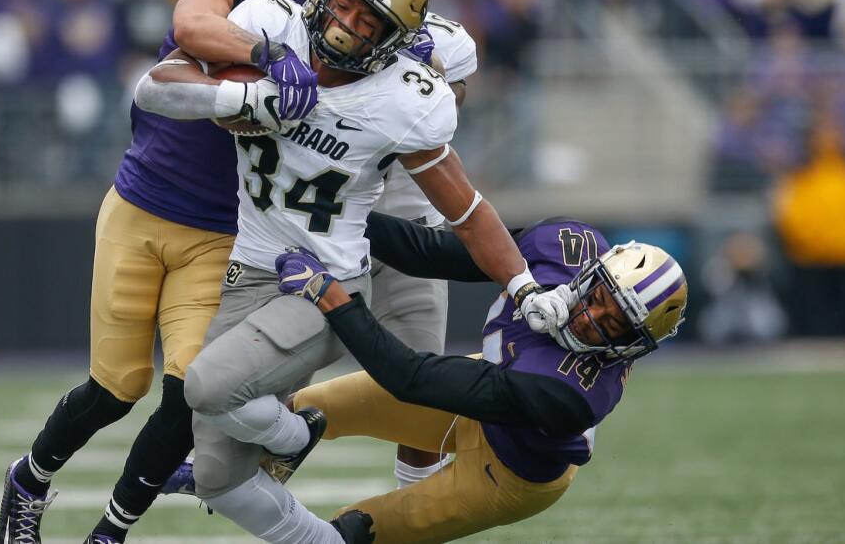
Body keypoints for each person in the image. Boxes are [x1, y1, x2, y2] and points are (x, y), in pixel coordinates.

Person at [133, 0, 572, 544]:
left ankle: (297, 431)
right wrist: (250, 92)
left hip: (322, 283)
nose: (348, 23)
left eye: (370, 21)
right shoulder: (270, 23)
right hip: (248, 270)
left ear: (393, 39)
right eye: (346, 3)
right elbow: (153, 88)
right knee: (218, 479)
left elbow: (467, 211)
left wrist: (521, 284)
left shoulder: (401, 98)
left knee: (206, 387)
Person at [0, 0, 375, 543]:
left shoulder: (342, 20)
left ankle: (110, 533)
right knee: (115, 387)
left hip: (223, 231)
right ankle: (30, 477)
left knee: (188, 393)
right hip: (145, 203)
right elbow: (191, 24)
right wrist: (266, 53)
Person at [274, 213, 688, 543]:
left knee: (351, 533)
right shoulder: (563, 247)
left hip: (507, 475)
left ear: (633, 345)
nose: (590, 320)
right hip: (493, 382)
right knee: (307, 408)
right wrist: (334, 215)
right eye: (599, 299)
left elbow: (408, 378)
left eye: (614, 326)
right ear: (593, 271)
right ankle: (224, 474)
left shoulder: (570, 391)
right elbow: (435, 252)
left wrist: (328, 294)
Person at [366, 0, 480, 489]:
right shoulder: (298, 25)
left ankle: (413, 506)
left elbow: (442, 107)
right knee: (269, 376)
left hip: (407, 226)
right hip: (318, 221)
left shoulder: (442, 42)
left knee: (424, 385)